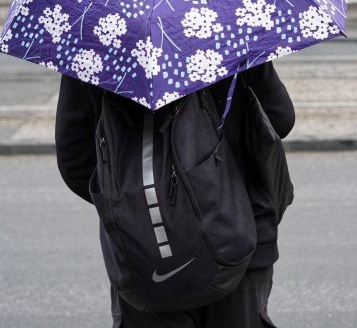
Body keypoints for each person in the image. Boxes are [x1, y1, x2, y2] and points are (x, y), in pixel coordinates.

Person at [55, 61, 295, 327]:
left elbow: (75, 160)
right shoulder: (230, 27)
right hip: (242, 239)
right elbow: (279, 118)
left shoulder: (92, 40)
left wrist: (135, 204)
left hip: (143, 253)